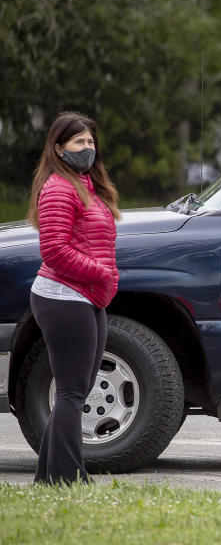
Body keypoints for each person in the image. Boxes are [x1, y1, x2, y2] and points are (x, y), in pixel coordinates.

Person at [26, 112, 120, 485]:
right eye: (79, 142)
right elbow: (54, 250)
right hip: (63, 296)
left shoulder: (86, 185)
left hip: (87, 297)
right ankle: (69, 478)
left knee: (75, 390)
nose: (87, 149)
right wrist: (99, 272)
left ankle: (48, 478)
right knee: (70, 392)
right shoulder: (59, 188)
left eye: (91, 142)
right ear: (58, 147)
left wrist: (102, 280)